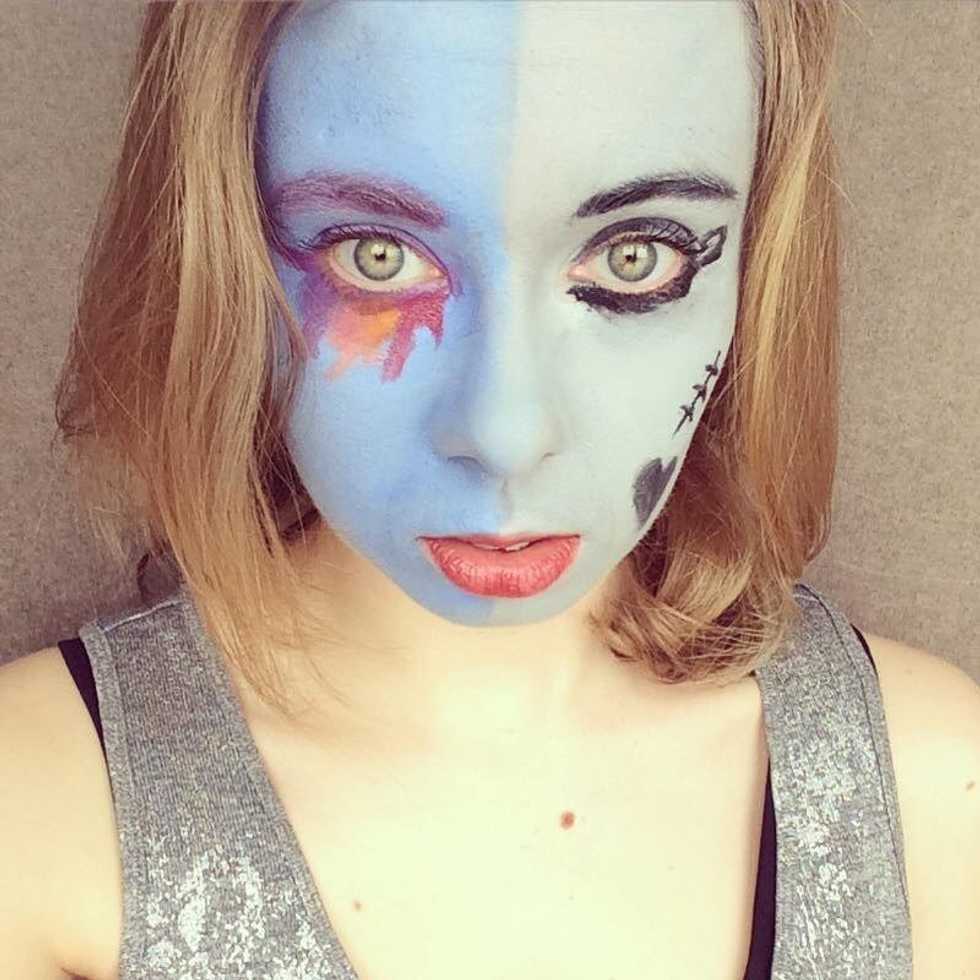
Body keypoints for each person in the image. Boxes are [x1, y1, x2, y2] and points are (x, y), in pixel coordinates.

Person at [2, 1, 978, 978]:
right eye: (375, 255)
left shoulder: (930, 793)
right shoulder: (36, 819)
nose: (508, 435)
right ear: (225, 248)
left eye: (635, 256)